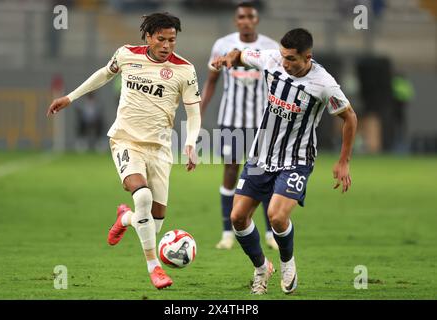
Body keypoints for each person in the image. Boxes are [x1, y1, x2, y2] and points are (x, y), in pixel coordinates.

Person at [47, 13, 201, 290]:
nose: (167, 45)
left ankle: (125, 218)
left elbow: (194, 112)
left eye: (172, 40)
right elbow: (104, 74)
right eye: (161, 39)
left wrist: (190, 142)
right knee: (141, 195)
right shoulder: (127, 55)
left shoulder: (185, 70)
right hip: (126, 140)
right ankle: (155, 269)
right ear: (148, 36)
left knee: (153, 226)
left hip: (160, 149)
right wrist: (70, 97)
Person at [211, 28, 357, 294]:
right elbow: (240, 54)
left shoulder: (324, 83)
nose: (285, 63)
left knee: (276, 217)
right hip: (260, 155)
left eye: (291, 59)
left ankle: (287, 262)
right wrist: (229, 58)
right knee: (238, 217)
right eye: (283, 56)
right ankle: (260, 268)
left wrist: (344, 160)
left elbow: (350, 117)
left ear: (307, 57)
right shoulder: (271, 59)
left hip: (297, 159)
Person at [201, 1, 279, 250]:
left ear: (256, 20)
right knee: (231, 172)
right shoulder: (222, 45)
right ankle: (227, 233)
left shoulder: (270, 47)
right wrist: (199, 111)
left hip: (261, 122)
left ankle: (270, 233)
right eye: (241, 17)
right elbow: (212, 80)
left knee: (263, 174)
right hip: (231, 120)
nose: (245, 20)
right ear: (236, 21)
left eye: (250, 16)